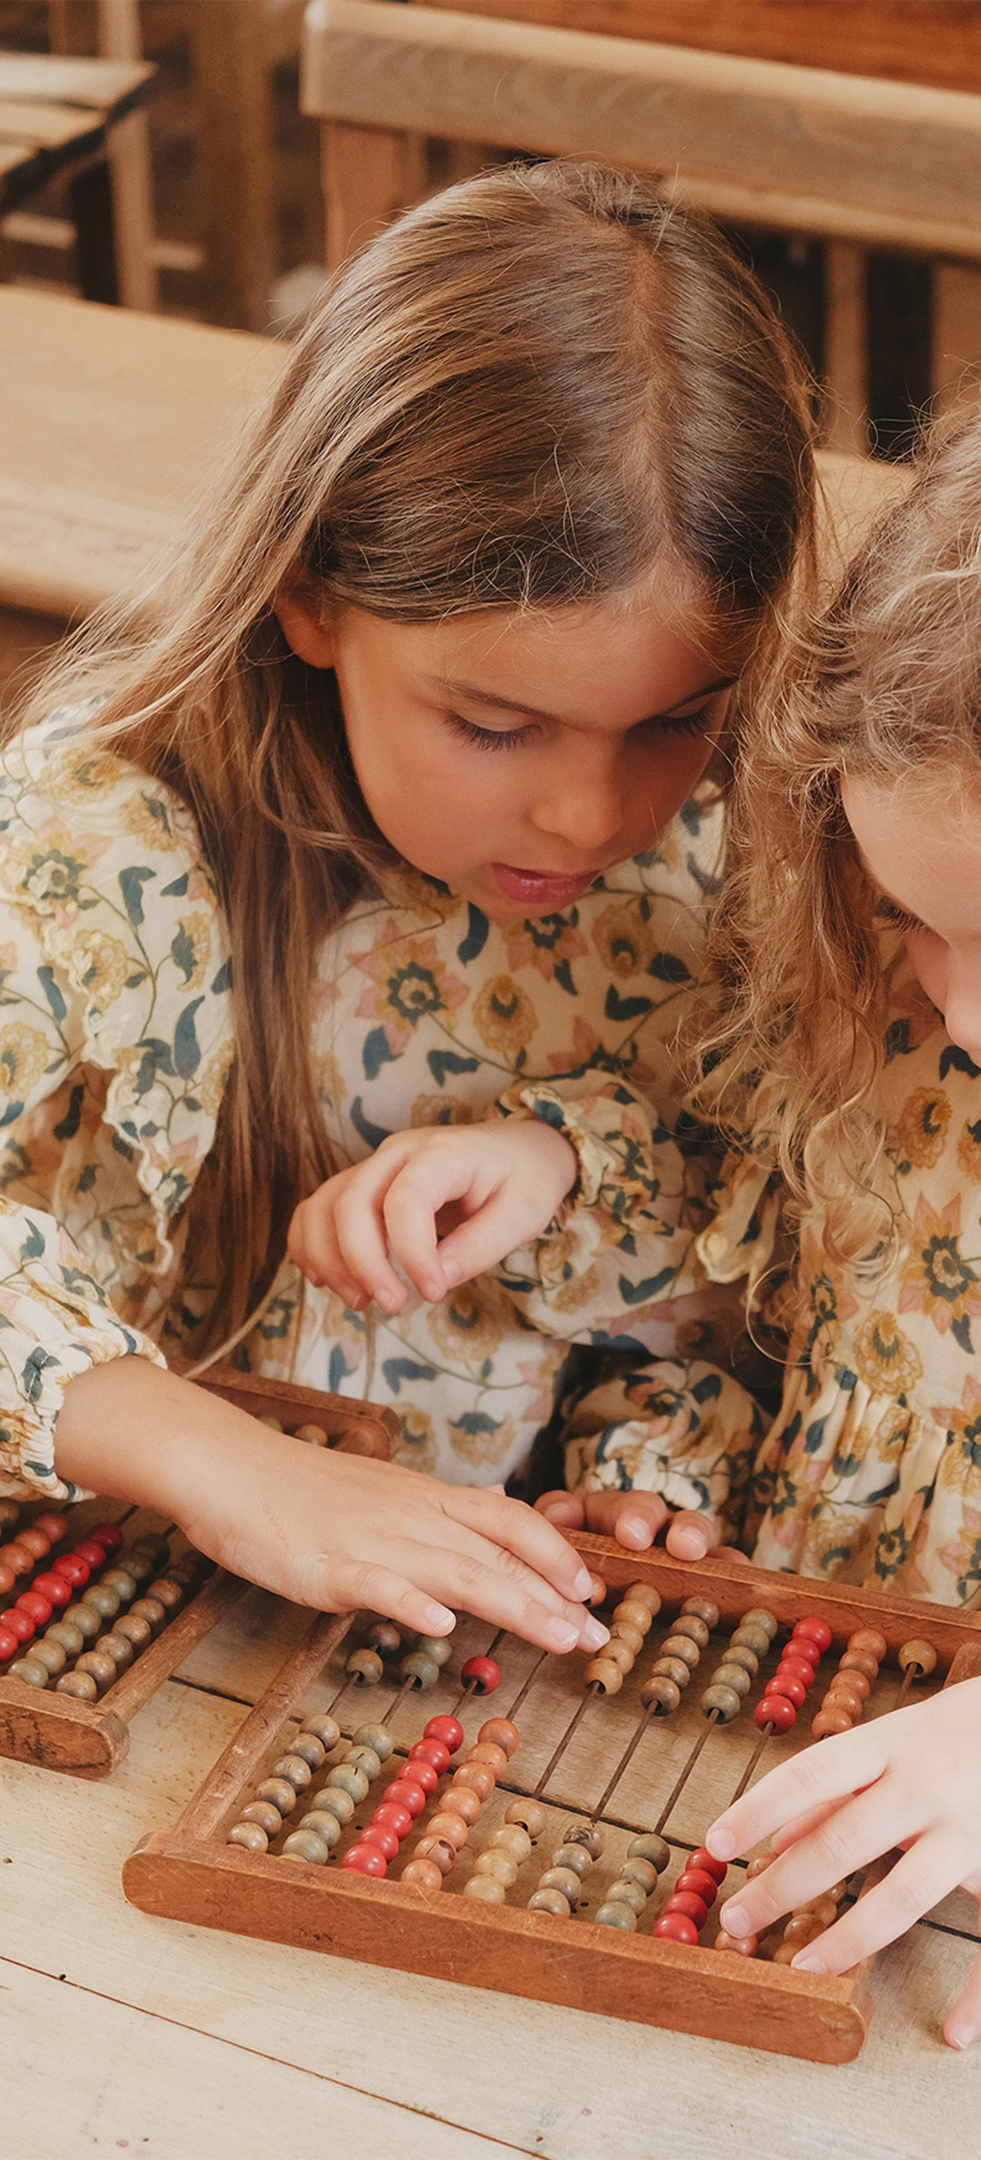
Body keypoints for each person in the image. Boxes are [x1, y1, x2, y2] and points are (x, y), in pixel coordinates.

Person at [0, 162, 815, 1656]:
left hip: (435, 1672)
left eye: (674, 723)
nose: (591, 815)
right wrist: (227, 1467)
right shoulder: (113, 848)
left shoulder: (714, 874)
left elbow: (721, 1293)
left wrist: (645, 1469)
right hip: (96, 1600)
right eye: (496, 728)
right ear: (310, 593)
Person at [368, 408, 981, 2044]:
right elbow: (780, 1344)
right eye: (919, 921)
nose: (964, 1009)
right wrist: (670, 1470)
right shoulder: (892, 1039)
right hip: (773, 1797)